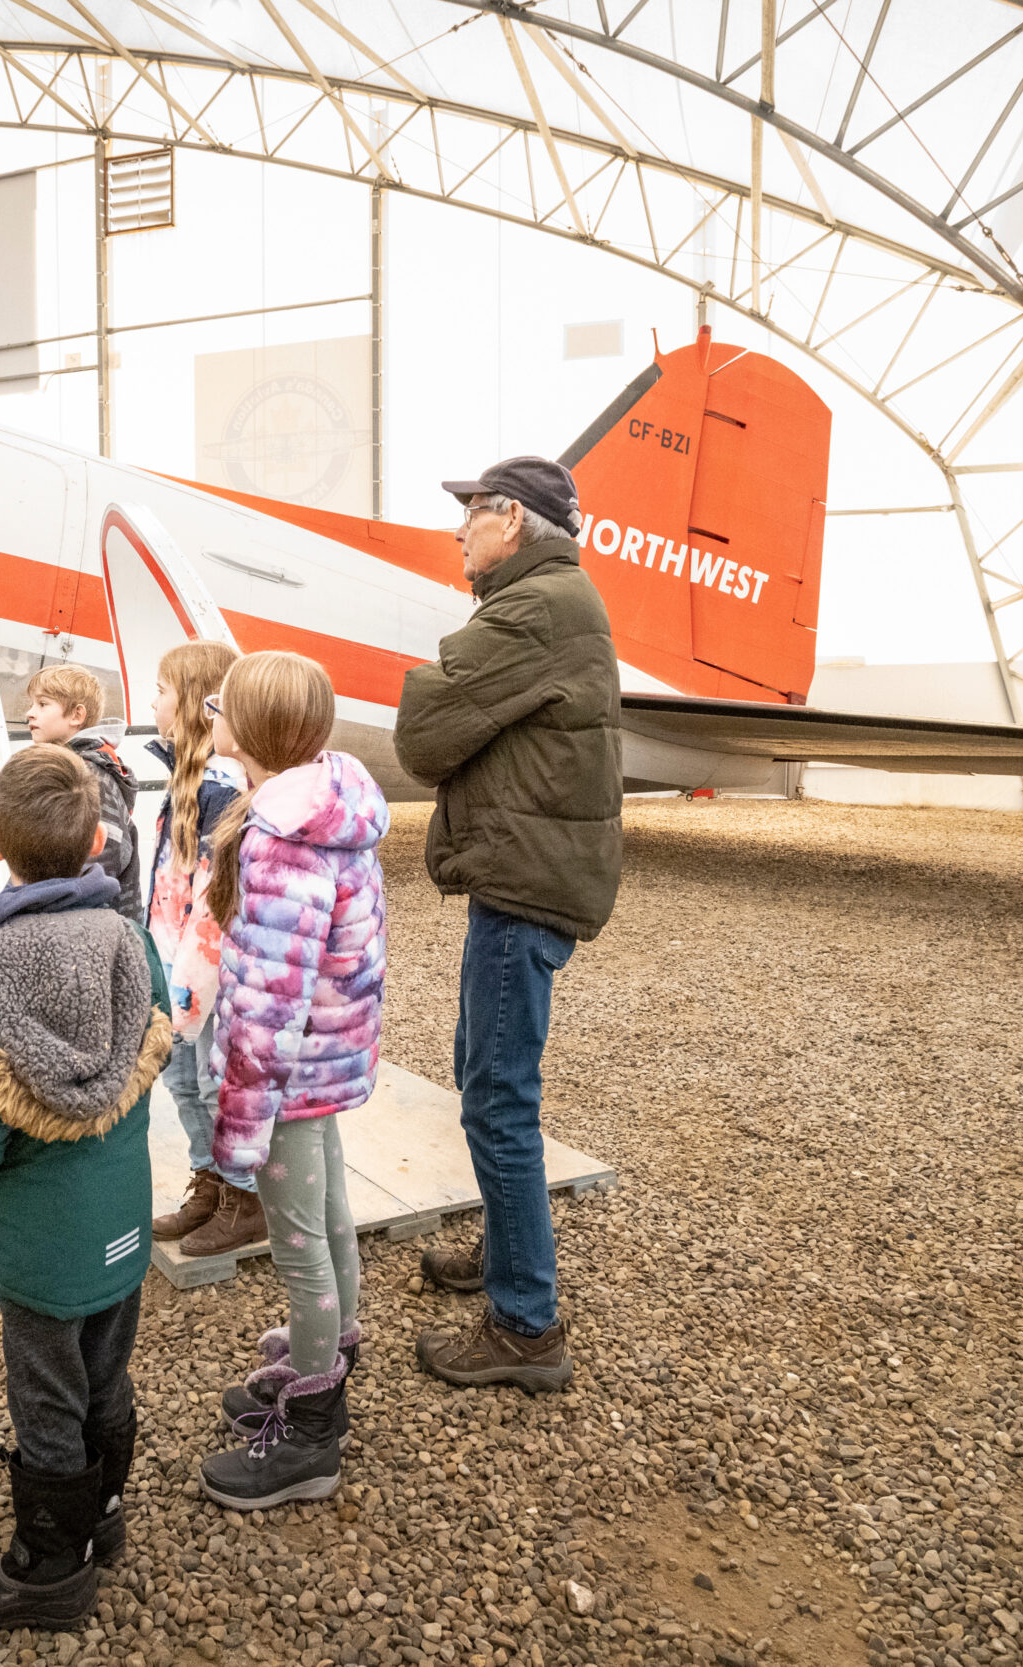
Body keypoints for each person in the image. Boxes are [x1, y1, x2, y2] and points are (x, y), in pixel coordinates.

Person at [0, 744, 173, 1629]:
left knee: (46, 1388)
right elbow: (154, 1047)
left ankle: (50, 1566)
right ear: (101, 840)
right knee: (107, 1365)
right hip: (121, 1221)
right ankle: (100, 1511)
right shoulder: (133, 944)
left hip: (41, 1242)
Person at [392, 456, 622, 1394]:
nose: (458, 533)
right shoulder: (557, 600)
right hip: (525, 874)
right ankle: (504, 1257)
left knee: (495, 1098)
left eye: (471, 516)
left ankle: (526, 1322)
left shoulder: (532, 609)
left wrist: (434, 685)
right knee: (483, 1076)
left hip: (522, 886)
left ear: (513, 521)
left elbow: (421, 736)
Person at [195, 652, 388, 1510]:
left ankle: (313, 1433)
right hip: (329, 1063)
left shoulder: (282, 839)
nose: (210, 713)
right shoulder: (334, 808)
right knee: (331, 1218)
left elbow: (272, 1001)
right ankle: (328, 1356)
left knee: (300, 1243)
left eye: (220, 704)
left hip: (289, 1077)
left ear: (255, 729)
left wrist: (240, 1122)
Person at [143, 641, 265, 1258]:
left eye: (162, 689)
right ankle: (210, 1180)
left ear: (191, 702)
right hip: (178, 970)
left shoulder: (221, 790)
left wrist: (186, 990)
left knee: (216, 1083)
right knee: (184, 1082)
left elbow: (214, 905)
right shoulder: (187, 779)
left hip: (204, 976)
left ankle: (244, 1197)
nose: (153, 699)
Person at [23, 663, 142, 921]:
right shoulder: (75, 767)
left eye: (42, 704)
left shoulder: (88, 774)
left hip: (92, 923)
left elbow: (105, 856)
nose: (29, 713)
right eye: (32, 704)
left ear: (76, 715)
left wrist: (57, 905)